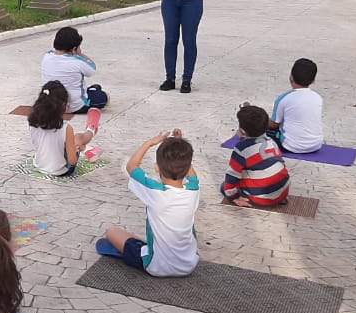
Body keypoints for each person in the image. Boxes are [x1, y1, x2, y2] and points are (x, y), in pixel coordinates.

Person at [101, 129, 200, 277]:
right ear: (186, 168)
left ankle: (140, 250)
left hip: (156, 266)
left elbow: (131, 167)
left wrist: (151, 142)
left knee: (111, 232)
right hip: (189, 264)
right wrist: (178, 145)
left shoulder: (154, 191)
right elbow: (192, 175)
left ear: (157, 167)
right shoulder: (193, 190)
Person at [221, 105, 290, 207]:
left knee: (224, 186)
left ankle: (249, 197)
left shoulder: (242, 149)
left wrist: (232, 196)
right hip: (283, 190)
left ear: (242, 131)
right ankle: (278, 197)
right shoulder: (272, 142)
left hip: (262, 198)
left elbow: (232, 176)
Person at [28, 81, 101, 177]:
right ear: (63, 106)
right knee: (78, 138)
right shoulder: (66, 128)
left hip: (39, 165)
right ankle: (91, 129)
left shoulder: (32, 122)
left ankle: (86, 147)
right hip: (61, 170)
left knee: (71, 141)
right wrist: (75, 150)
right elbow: (72, 161)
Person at [40, 27, 108, 113]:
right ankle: (92, 92)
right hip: (75, 106)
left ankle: (91, 90)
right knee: (103, 97)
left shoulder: (47, 56)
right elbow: (92, 69)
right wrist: (80, 54)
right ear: (74, 48)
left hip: (52, 104)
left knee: (95, 87)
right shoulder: (77, 61)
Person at [266, 58, 323, 153]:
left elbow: (273, 124)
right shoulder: (318, 97)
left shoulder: (284, 98)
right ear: (313, 80)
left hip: (291, 145)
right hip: (316, 145)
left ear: (290, 77)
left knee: (259, 128)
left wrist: (258, 118)